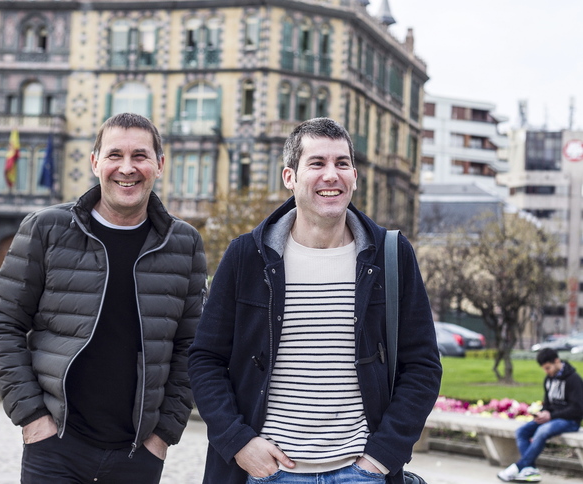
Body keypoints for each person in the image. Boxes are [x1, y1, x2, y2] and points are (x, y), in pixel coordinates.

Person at [188, 117, 442, 484]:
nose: (331, 175)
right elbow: (205, 359)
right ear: (289, 177)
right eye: (317, 163)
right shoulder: (246, 256)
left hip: (361, 473)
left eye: (342, 163)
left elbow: (422, 365)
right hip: (267, 473)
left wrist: (381, 457)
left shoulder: (391, 254)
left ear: (355, 176)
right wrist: (238, 442)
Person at [0, 113, 207, 483]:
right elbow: (1, 324)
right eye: (115, 155)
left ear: (159, 165)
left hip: (137, 455)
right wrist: (33, 419)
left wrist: (162, 435)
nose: (127, 168)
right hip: (55, 447)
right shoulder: (46, 228)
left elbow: (192, 346)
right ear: (94, 162)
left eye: (140, 156)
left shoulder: (184, 243)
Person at [497, 348, 583, 482]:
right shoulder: (549, 379)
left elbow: (578, 409)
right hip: (551, 419)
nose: (546, 371)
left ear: (557, 361)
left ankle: (519, 467)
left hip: (570, 421)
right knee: (522, 431)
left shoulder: (574, 379)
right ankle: (530, 470)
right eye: (544, 369)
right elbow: (548, 403)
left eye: (548, 368)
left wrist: (551, 416)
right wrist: (543, 413)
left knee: (543, 430)